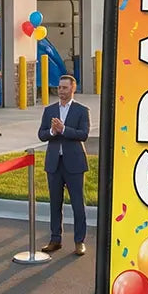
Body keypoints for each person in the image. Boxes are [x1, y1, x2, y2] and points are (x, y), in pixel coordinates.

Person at [38, 75, 90, 255]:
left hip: (74, 164)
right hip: (54, 163)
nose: (61, 91)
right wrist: (53, 131)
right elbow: (42, 134)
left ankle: (79, 241)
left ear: (72, 89)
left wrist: (64, 130)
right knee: (55, 203)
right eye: (59, 88)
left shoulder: (81, 110)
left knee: (77, 204)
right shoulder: (49, 110)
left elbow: (83, 134)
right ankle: (55, 239)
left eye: (65, 88)